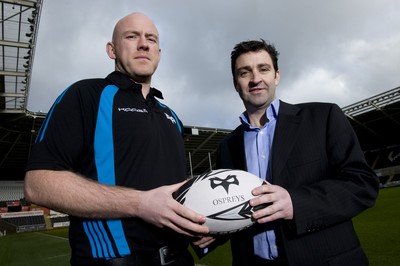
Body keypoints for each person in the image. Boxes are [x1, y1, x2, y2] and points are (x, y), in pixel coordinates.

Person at [24, 12, 209, 266]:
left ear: (159, 52)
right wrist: (140, 203)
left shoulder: (171, 117)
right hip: (112, 260)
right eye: (132, 36)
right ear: (112, 50)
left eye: (151, 39)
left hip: (180, 260)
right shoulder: (85, 95)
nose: (143, 44)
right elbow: (37, 183)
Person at [215, 39, 379, 265]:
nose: (255, 79)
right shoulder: (227, 146)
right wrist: (210, 232)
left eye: (263, 69)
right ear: (236, 83)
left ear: (277, 75)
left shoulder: (323, 117)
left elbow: (363, 184)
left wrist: (296, 203)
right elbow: (231, 210)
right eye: (245, 72)